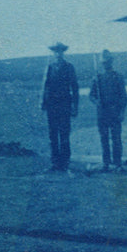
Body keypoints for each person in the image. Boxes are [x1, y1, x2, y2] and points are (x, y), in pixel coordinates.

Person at [41, 42, 79, 173]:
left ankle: (65, 163)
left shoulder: (69, 67)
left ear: (63, 53)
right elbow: (45, 86)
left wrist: (75, 106)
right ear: (53, 53)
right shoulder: (50, 67)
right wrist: (43, 102)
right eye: (56, 51)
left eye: (60, 51)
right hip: (52, 105)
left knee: (64, 134)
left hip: (65, 105)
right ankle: (55, 163)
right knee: (53, 135)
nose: (58, 53)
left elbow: (74, 88)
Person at [89, 50, 127, 171]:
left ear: (112, 62)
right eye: (104, 62)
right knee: (104, 138)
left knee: (116, 139)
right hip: (102, 113)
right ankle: (106, 163)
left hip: (115, 112)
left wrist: (122, 112)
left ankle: (118, 163)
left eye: (108, 62)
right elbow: (91, 95)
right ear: (102, 64)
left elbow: (124, 97)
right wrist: (96, 101)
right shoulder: (97, 78)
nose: (106, 64)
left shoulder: (118, 77)